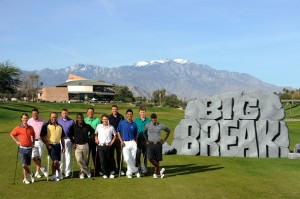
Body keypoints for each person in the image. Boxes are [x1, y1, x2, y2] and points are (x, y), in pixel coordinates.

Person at [10, 113, 35, 184]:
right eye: (23, 118)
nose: (25, 119)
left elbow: (33, 134)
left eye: (26, 118)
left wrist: (33, 143)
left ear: (28, 119)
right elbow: (11, 134)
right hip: (22, 148)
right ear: (21, 119)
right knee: (24, 164)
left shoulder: (30, 127)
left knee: (26, 165)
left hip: (29, 148)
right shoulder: (18, 128)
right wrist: (17, 141)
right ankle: (31, 173)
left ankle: (25, 179)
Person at [143, 113, 170, 179]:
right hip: (150, 144)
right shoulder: (148, 125)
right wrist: (147, 140)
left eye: (155, 118)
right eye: (153, 118)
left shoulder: (160, 125)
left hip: (158, 144)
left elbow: (168, 131)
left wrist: (164, 140)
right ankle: (160, 169)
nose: (154, 119)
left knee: (157, 159)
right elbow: (144, 132)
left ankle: (155, 174)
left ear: (156, 118)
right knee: (150, 158)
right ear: (151, 119)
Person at [40, 112, 66, 181]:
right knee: (55, 161)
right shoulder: (46, 125)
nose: (53, 118)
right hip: (51, 145)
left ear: (57, 118)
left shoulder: (60, 126)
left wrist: (63, 147)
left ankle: (53, 175)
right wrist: (47, 144)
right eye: (52, 117)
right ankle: (60, 172)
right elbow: (42, 136)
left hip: (58, 145)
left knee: (55, 161)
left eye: (55, 117)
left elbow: (62, 138)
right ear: (50, 117)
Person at [70, 113, 95, 179]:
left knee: (85, 160)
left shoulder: (87, 126)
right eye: (79, 118)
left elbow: (93, 131)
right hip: (77, 145)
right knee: (79, 159)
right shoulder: (74, 126)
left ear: (83, 118)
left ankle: (82, 173)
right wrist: (73, 142)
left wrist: (90, 136)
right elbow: (70, 135)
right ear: (77, 119)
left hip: (85, 145)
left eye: (81, 118)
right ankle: (87, 170)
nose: (80, 119)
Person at [117, 109, 140, 178]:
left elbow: (136, 134)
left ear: (132, 115)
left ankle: (129, 173)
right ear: (126, 115)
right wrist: (121, 141)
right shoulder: (122, 122)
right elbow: (118, 132)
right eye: (128, 114)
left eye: (131, 114)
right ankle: (136, 170)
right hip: (125, 142)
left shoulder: (134, 124)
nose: (129, 115)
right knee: (126, 158)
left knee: (132, 158)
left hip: (132, 142)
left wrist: (135, 142)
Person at [27, 108, 48, 178]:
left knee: (39, 158)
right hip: (32, 142)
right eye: (33, 114)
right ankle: (42, 168)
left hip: (41, 141)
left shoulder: (43, 121)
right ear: (31, 114)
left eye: (36, 113)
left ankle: (37, 172)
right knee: (33, 157)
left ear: (38, 113)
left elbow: (46, 131)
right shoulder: (29, 121)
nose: (35, 115)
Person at [95, 114, 117, 179]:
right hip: (100, 146)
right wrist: (96, 139)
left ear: (108, 120)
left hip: (108, 145)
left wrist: (112, 142)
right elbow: (96, 134)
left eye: (106, 119)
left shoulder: (111, 127)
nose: (105, 120)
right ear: (102, 120)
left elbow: (115, 135)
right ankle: (105, 173)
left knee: (109, 159)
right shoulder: (99, 126)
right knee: (102, 160)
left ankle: (111, 172)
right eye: (103, 119)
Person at [57, 108, 75, 178]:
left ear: (68, 113)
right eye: (63, 113)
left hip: (68, 139)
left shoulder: (71, 121)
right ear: (61, 114)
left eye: (66, 113)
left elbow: (74, 132)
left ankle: (67, 172)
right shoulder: (58, 120)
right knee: (60, 157)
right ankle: (60, 172)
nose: (65, 114)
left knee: (68, 156)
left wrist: (74, 141)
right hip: (59, 140)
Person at [84, 107, 101, 175]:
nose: (90, 113)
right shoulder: (84, 120)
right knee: (86, 156)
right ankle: (85, 170)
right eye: (89, 112)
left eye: (92, 112)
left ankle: (97, 170)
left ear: (93, 113)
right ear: (87, 113)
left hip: (94, 139)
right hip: (87, 139)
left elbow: (99, 130)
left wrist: (97, 139)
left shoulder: (97, 120)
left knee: (95, 155)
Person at [108, 105, 124, 175]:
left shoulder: (121, 117)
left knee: (119, 154)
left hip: (119, 138)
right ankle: (113, 169)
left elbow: (123, 126)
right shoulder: (109, 117)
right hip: (111, 138)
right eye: (113, 109)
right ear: (111, 110)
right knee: (111, 155)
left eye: (115, 109)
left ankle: (120, 169)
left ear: (117, 110)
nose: (114, 111)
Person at [134, 107, 151, 175]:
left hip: (146, 140)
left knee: (145, 155)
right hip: (138, 140)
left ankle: (144, 170)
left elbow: (150, 131)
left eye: (143, 112)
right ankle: (138, 169)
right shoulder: (136, 120)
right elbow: (134, 130)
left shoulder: (148, 121)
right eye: (141, 112)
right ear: (139, 112)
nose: (142, 113)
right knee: (137, 155)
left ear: (145, 112)